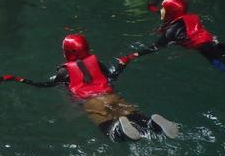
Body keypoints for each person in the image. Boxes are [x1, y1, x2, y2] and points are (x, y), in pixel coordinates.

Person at [21, 34, 178, 142]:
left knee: (110, 132)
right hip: (111, 96)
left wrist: (22, 80)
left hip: (91, 102)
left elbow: (46, 85)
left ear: (67, 53)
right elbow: (111, 78)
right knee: (137, 119)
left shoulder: (64, 71)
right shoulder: (97, 63)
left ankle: (119, 130)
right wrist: (122, 66)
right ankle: (153, 123)